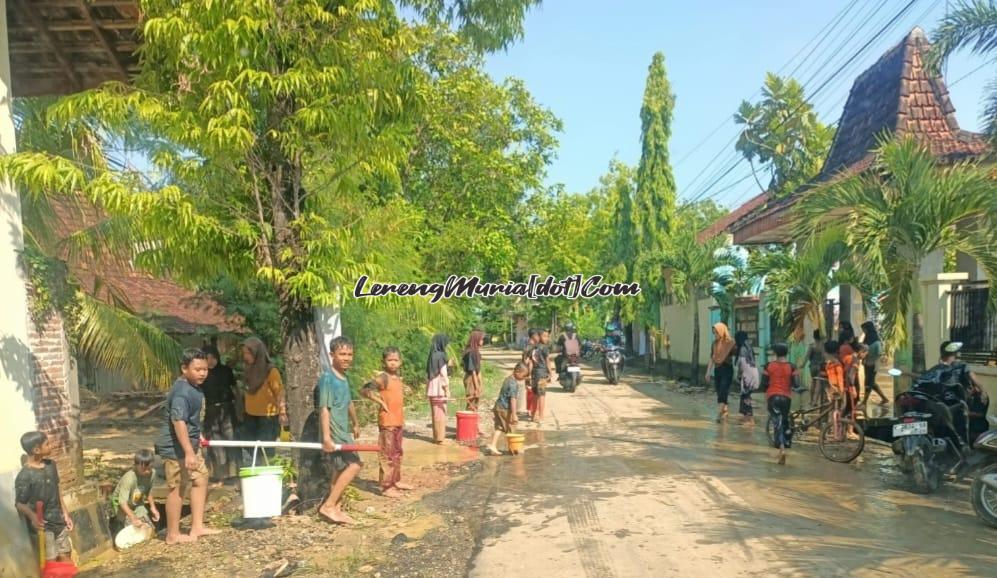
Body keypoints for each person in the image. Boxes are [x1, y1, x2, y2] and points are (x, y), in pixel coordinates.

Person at [154, 348, 219, 544]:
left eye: (205, 369)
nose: (202, 373)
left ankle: (197, 526)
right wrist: (189, 452)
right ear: (184, 368)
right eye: (197, 369)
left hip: (189, 444)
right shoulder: (182, 391)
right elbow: (178, 421)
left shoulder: (194, 388)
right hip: (176, 448)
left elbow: (191, 420)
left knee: (201, 478)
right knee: (178, 487)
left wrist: (197, 436)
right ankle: (172, 534)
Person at [316, 336, 362, 524]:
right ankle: (328, 505)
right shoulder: (327, 378)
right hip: (335, 432)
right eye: (342, 354)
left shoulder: (344, 377)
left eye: (350, 354)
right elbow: (324, 409)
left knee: (340, 469)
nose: (346, 358)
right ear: (332, 355)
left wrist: (356, 422)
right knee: (355, 465)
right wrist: (327, 437)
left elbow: (349, 401)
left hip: (344, 430)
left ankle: (336, 507)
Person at [361, 347, 414, 498]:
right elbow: (365, 390)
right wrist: (379, 401)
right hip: (387, 422)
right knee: (387, 454)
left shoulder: (397, 378)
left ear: (400, 362)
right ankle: (386, 487)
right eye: (389, 360)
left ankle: (395, 480)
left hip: (398, 421)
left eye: (395, 360)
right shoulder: (383, 378)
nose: (393, 363)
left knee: (397, 453)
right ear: (384, 362)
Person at [15, 431, 75, 563]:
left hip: (58, 520)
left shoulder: (51, 465)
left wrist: (65, 514)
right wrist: (33, 516)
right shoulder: (24, 476)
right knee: (50, 561)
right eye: (47, 444)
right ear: (36, 450)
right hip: (43, 526)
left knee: (66, 554)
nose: (51, 445)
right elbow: (19, 504)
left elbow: (57, 489)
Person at [201, 344, 240, 483]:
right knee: (214, 443)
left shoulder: (226, 371)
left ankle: (234, 475)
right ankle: (219, 475)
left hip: (227, 410)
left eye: (213, 357)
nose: (210, 360)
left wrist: (239, 408)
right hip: (210, 411)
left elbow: (235, 390)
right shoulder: (202, 374)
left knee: (231, 440)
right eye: (207, 358)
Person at [240, 337, 288, 446]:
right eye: (244, 353)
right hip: (250, 415)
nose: (245, 356)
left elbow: (279, 392)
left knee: (266, 449)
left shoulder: (271, 371)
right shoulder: (248, 369)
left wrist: (282, 412)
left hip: (267, 417)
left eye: (248, 353)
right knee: (251, 447)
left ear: (257, 353)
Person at [764, 343, 798, 465]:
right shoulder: (792, 367)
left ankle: (781, 448)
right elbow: (797, 384)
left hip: (772, 396)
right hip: (786, 398)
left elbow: (764, 384)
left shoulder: (769, 366)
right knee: (784, 421)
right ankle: (786, 444)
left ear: (775, 354)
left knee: (776, 423)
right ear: (787, 353)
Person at [486, 362, 527, 455]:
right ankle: (514, 448)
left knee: (500, 427)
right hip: (504, 408)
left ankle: (493, 445)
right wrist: (514, 414)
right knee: (511, 426)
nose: (524, 378)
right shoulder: (514, 384)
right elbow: (513, 400)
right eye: (523, 375)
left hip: (498, 406)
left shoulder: (507, 379)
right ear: (517, 372)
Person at [113, 449, 159, 530]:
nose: (147, 471)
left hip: (137, 504)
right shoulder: (129, 478)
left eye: (150, 468)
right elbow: (122, 502)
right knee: (133, 531)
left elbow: (149, 492)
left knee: (148, 529)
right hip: (121, 506)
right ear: (136, 465)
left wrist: (153, 507)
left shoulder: (152, 474)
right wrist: (132, 517)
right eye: (144, 469)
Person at [706, 322, 736, 423]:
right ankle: (725, 411)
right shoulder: (714, 344)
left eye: (717, 333)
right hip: (717, 370)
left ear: (722, 332)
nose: (715, 335)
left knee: (723, 390)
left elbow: (739, 354)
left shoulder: (730, 343)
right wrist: (708, 372)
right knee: (719, 391)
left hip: (727, 369)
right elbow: (712, 358)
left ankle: (719, 414)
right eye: (714, 333)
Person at [426, 334, 451, 444]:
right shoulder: (441, 356)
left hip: (432, 387)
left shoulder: (432, 355)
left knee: (435, 414)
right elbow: (443, 374)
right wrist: (447, 389)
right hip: (439, 388)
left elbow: (428, 373)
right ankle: (440, 439)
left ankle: (436, 437)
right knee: (441, 413)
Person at [860, 321, 889, 406]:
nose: (864, 331)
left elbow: (879, 354)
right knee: (870, 383)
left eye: (864, 330)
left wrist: (876, 365)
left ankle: (864, 402)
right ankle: (884, 398)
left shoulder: (876, 342)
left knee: (868, 383)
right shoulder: (867, 339)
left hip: (873, 365)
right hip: (867, 364)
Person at [530, 329, 555, 426]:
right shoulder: (545, 348)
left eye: (548, 336)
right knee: (542, 395)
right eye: (545, 336)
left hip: (534, 374)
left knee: (535, 394)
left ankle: (533, 415)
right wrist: (550, 372)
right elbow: (547, 361)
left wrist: (529, 374)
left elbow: (531, 362)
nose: (547, 338)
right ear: (539, 336)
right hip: (542, 374)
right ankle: (541, 416)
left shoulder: (534, 347)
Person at [734, 331, 759, 425]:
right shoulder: (749, 347)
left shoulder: (743, 349)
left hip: (747, 376)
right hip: (753, 374)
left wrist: (739, 376)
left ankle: (750, 420)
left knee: (746, 397)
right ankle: (746, 419)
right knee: (745, 396)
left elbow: (742, 365)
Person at [462, 329, 485, 412]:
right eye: (481, 339)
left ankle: (473, 421)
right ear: (476, 339)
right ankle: (468, 422)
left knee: (476, 400)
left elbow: (478, 370)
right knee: (471, 401)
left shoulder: (476, 352)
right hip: (470, 378)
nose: (483, 341)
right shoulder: (470, 352)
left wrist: (481, 384)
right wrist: (477, 386)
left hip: (475, 378)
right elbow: (473, 371)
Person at [804, 330, 827, 408]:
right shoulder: (823, 346)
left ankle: (811, 401)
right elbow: (824, 357)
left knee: (813, 383)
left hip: (812, 366)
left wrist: (802, 364)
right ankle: (815, 401)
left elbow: (807, 356)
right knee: (819, 384)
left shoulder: (812, 346)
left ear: (814, 337)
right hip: (820, 366)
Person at [523, 329, 539, 418]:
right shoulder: (530, 347)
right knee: (531, 392)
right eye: (537, 335)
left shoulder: (528, 346)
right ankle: (531, 410)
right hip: (530, 373)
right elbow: (527, 361)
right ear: (533, 336)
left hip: (529, 373)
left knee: (530, 392)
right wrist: (528, 374)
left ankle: (530, 409)